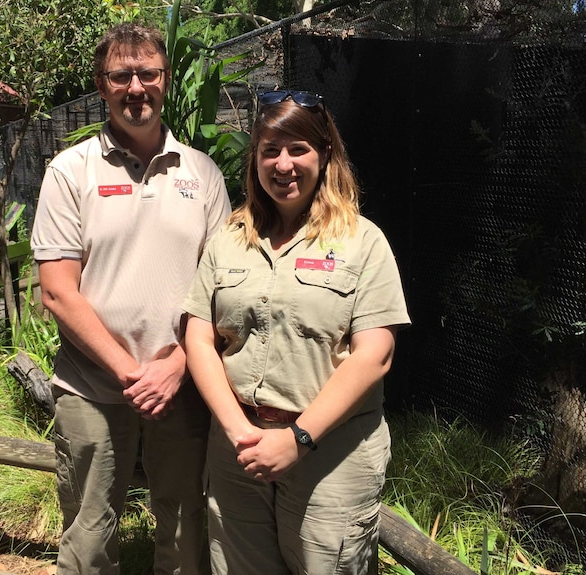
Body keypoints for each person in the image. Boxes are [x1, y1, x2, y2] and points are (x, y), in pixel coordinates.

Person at [183, 90, 411, 575]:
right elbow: (199, 337)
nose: (283, 164)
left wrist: (298, 438)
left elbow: (376, 354)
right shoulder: (228, 238)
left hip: (330, 453)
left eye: (298, 149)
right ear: (256, 159)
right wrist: (237, 429)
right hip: (238, 447)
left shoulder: (362, 241)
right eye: (270, 150)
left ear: (325, 155)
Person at [30, 23, 230, 575]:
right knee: (87, 533)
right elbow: (57, 291)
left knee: (188, 528)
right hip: (92, 386)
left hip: (183, 384)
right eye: (122, 75)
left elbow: (222, 289)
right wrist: (129, 371)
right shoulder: (71, 171)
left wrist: (178, 366)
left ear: (165, 80)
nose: (135, 87)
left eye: (148, 73)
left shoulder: (202, 173)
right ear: (102, 84)